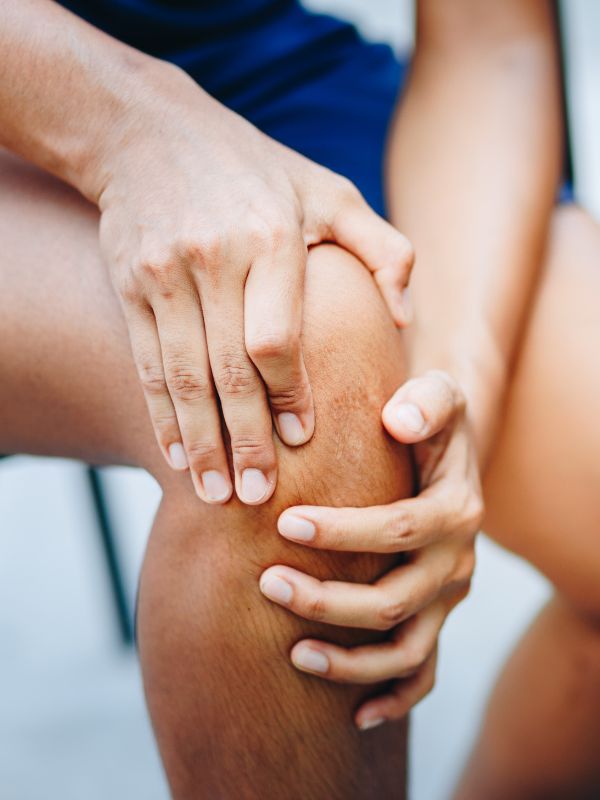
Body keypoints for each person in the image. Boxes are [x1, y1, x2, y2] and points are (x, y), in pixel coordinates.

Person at [0, 2, 598, 799]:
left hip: (258, 73)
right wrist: (127, 125)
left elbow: (488, 41)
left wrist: (451, 408)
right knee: (294, 376)